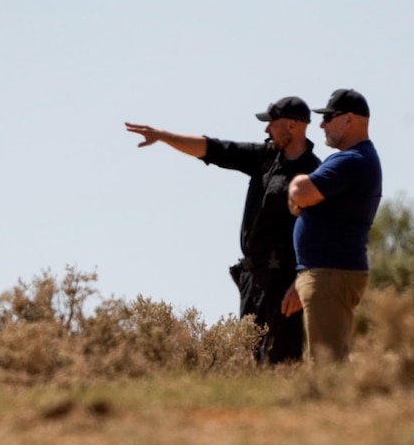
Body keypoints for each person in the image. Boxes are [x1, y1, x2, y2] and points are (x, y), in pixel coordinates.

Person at [126, 96, 320, 364]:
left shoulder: (315, 173)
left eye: (272, 124)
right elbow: (214, 149)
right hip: (252, 279)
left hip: (284, 283)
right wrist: (163, 136)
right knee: (248, 359)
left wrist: (299, 284)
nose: (267, 130)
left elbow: (321, 235)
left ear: (293, 126)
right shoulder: (264, 157)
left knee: (282, 360)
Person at [285, 89, 383, 362]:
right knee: (325, 361)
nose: (321, 125)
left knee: (327, 367)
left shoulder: (353, 160)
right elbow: (303, 200)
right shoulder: (351, 158)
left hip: (330, 274)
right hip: (327, 272)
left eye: (329, 117)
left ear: (349, 119)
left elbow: (300, 193)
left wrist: (297, 186)